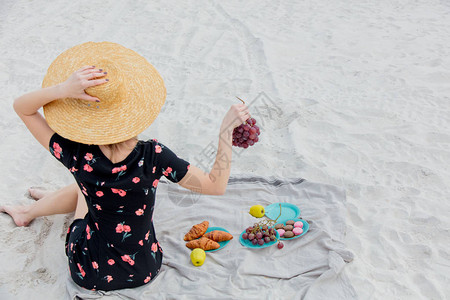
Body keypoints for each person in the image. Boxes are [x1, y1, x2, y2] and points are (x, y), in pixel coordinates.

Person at [0, 42, 249, 291]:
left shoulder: (76, 154)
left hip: (88, 270)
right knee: (86, 188)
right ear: (132, 110)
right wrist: (226, 131)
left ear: (84, 117)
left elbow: (23, 108)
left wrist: (62, 89)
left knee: (84, 186)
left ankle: (29, 212)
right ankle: (40, 206)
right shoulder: (154, 156)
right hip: (144, 268)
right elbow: (215, 186)